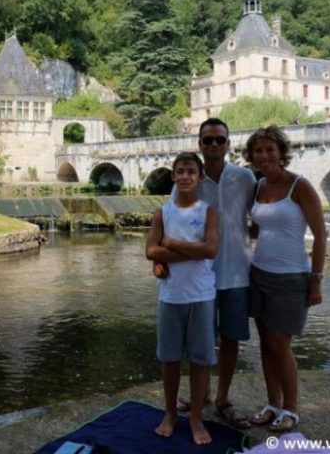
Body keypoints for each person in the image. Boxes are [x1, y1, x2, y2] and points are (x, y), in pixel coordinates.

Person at [172, 118, 256, 429]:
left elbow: (258, 215)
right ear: (200, 144)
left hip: (236, 273)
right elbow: (171, 221)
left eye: (220, 140)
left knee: (231, 338)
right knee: (201, 339)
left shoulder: (244, 177)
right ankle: (202, 393)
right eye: (208, 141)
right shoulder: (188, 179)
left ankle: (222, 398)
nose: (214, 146)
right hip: (198, 274)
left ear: (228, 144)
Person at [243, 125, 327, 432]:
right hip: (259, 273)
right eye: (258, 151)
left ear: (281, 153)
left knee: (280, 344)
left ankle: (291, 408)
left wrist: (315, 280)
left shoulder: (299, 186)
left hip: (292, 276)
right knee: (265, 344)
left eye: (270, 150)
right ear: (251, 156)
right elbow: (258, 229)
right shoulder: (258, 185)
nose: (264, 156)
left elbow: (320, 235)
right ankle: (272, 403)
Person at [146, 152, 219, 445]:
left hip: (201, 295)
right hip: (171, 296)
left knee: (201, 360)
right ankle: (170, 413)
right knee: (170, 359)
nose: (186, 176)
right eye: (180, 172)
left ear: (200, 177)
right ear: (173, 177)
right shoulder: (162, 213)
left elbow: (211, 249)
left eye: (191, 171)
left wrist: (170, 244)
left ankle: (197, 418)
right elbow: (151, 251)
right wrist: (188, 249)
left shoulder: (209, 212)